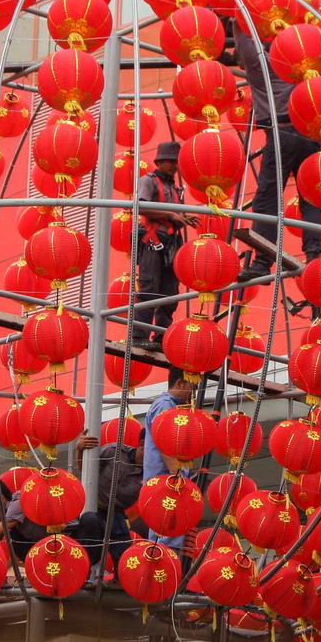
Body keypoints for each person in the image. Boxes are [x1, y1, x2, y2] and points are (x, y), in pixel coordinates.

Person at [234, 21, 321, 283]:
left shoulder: (256, 62)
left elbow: (241, 35)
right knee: (310, 196)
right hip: (311, 133)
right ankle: (314, 253)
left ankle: (263, 259)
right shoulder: (299, 62)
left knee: (268, 198)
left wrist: (236, 20)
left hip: (281, 132)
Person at [133, 141, 199, 352]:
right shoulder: (149, 181)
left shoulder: (174, 187)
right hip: (152, 241)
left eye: (176, 162)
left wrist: (181, 217)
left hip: (171, 243)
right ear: (159, 161)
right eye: (171, 161)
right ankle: (138, 334)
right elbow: (141, 207)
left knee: (169, 292)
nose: (174, 166)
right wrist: (171, 215)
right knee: (149, 289)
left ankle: (162, 336)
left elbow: (172, 215)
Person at [0, 478, 104, 567]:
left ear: (1, 499)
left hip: (74, 539)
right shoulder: (9, 521)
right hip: (53, 550)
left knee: (90, 518)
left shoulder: (19, 501)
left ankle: (84, 571)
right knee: (13, 537)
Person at [76, 427, 145, 577]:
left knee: (122, 547)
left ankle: (121, 581)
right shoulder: (114, 451)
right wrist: (80, 451)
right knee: (89, 522)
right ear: (142, 444)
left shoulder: (152, 472)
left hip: (116, 513)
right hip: (93, 506)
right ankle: (81, 574)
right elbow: (85, 470)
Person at [143, 366, 193, 557]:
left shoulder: (173, 407)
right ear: (179, 383)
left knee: (170, 532)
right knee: (165, 534)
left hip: (167, 481)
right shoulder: (165, 405)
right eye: (190, 387)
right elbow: (164, 441)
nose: (191, 394)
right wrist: (176, 475)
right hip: (166, 482)